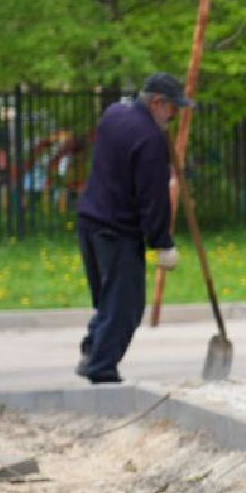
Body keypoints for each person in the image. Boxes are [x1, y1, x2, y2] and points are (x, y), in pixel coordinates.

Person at [74, 74, 192, 384]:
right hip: (117, 229)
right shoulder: (150, 139)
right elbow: (152, 198)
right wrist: (162, 243)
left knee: (109, 299)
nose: (175, 115)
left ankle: (92, 350)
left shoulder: (115, 114)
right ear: (156, 103)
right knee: (126, 303)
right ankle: (101, 369)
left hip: (90, 220)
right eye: (172, 108)